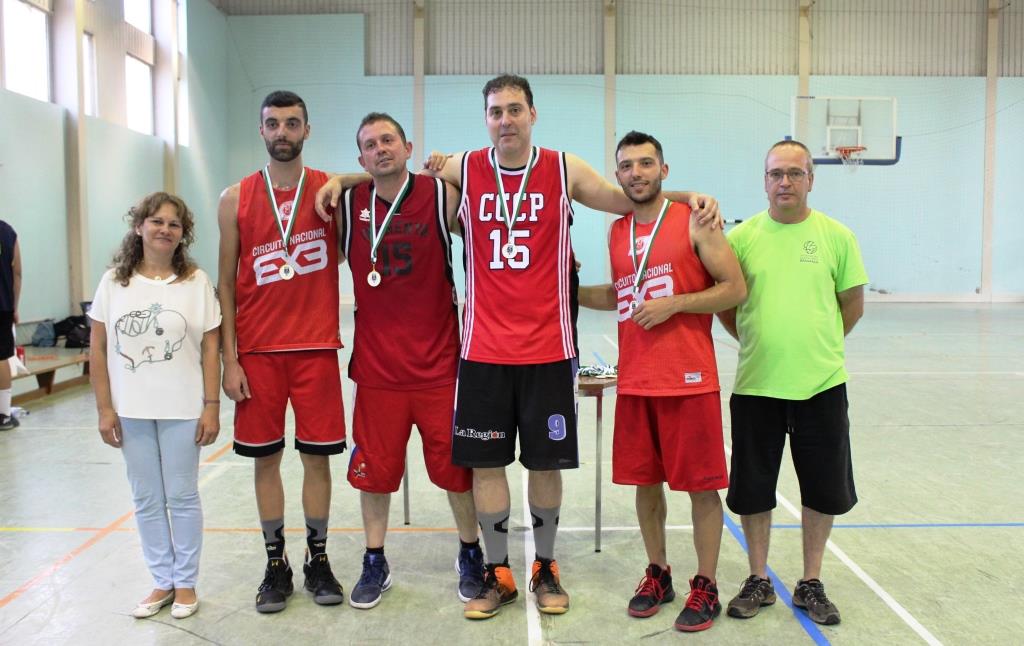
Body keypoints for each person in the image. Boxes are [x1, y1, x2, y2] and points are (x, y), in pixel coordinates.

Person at [320, 74, 721, 620]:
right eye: (495, 111)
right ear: (485, 119)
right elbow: (393, 177)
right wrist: (342, 179)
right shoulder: (463, 168)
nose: (505, 120)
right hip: (482, 350)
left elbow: (627, 196)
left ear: (533, 114)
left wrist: (689, 196)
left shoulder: (564, 168)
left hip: (549, 349)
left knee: (543, 466)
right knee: (486, 467)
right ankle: (498, 573)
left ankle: (545, 568)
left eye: (514, 109)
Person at [578, 132, 745, 632]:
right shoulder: (617, 231)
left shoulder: (694, 219)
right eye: (627, 165)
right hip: (636, 381)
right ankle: (658, 574)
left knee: (700, 489)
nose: (637, 173)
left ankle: (706, 584)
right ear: (618, 174)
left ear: (664, 170)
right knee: (646, 484)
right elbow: (622, 294)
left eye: (646, 163)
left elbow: (734, 288)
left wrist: (675, 304)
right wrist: (570, 290)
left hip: (688, 380)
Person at [717, 140, 867, 626]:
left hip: (821, 386)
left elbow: (852, 305)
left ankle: (810, 582)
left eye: (795, 173)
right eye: (776, 174)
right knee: (753, 489)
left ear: (811, 180)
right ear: (764, 181)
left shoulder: (837, 236)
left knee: (822, 489)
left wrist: (815, 347)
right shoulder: (741, 239)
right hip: (757, 386)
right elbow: (726, 308)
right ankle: (758, 578)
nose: (785, 182)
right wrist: (761, 342)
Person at [338, 112, 483, 609]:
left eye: (388, 140)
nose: (380, 149)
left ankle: (470, 550)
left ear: (408, 147)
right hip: (377, 372)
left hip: (439, 368)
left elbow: (496, 211)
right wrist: (338, 181)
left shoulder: (442, 195)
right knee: (375, 474)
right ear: (361, 158)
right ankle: (374, 559)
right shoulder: (347, 204)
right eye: (370, 144)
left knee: (456, 472)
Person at [218, 90, 346, 614]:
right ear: (261, 130)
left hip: (316, 348)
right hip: (258, 353)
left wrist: (346, 180)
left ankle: (318, 558)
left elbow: (381, 178)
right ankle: (276, 563)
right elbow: (225, 283)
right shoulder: (236, 197)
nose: (282, 133)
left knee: (317, 460)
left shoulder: (331, 191)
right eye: (273, 124)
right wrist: (229, 359)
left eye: (292, 123)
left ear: (307, 130)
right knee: (265, 460)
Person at [88, 192, 221, 620]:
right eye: (157, 221)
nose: (165, 229)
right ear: (139, 226)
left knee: (181, 496)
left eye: (174, 224)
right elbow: (97, 348)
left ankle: (186, 583)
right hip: (131, 410)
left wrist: (212, 406)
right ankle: (162, 580)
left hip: (183, 409)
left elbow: (211, 348)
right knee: (146, 498)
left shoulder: (196, 282)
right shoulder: (114, 282)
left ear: (183, 234)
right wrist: (105, 408)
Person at [0, 218, 21, 431]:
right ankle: (4, 415)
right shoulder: (6, 231)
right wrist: (15, 307)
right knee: (1, 357)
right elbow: (17, 272)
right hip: (3, 305)